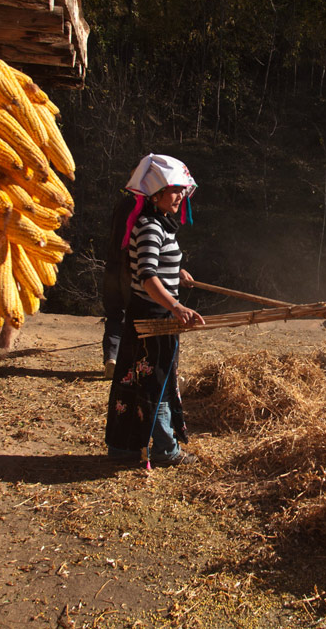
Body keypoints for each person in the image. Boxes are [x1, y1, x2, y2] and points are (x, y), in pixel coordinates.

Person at [105, 153, 204, 466]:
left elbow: (155, 265)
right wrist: (177, 306)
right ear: (156, 194)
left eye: (181, 190)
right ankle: (164, 450)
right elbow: (147, 277)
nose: (180, 196)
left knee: (144, 382)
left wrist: (178, 274)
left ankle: (128, 448)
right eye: (174, 191)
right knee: (156, 383)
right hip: (152, 316)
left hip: (156, 314)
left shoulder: (160, 224)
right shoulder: (150, 226)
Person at [101, 190, 137, 378]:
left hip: (112, 265)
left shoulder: (121, 203)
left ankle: (111, 358)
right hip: (129, 269)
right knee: (135, 316)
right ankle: (129, 363)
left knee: (114, 315)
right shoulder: (144, 206)